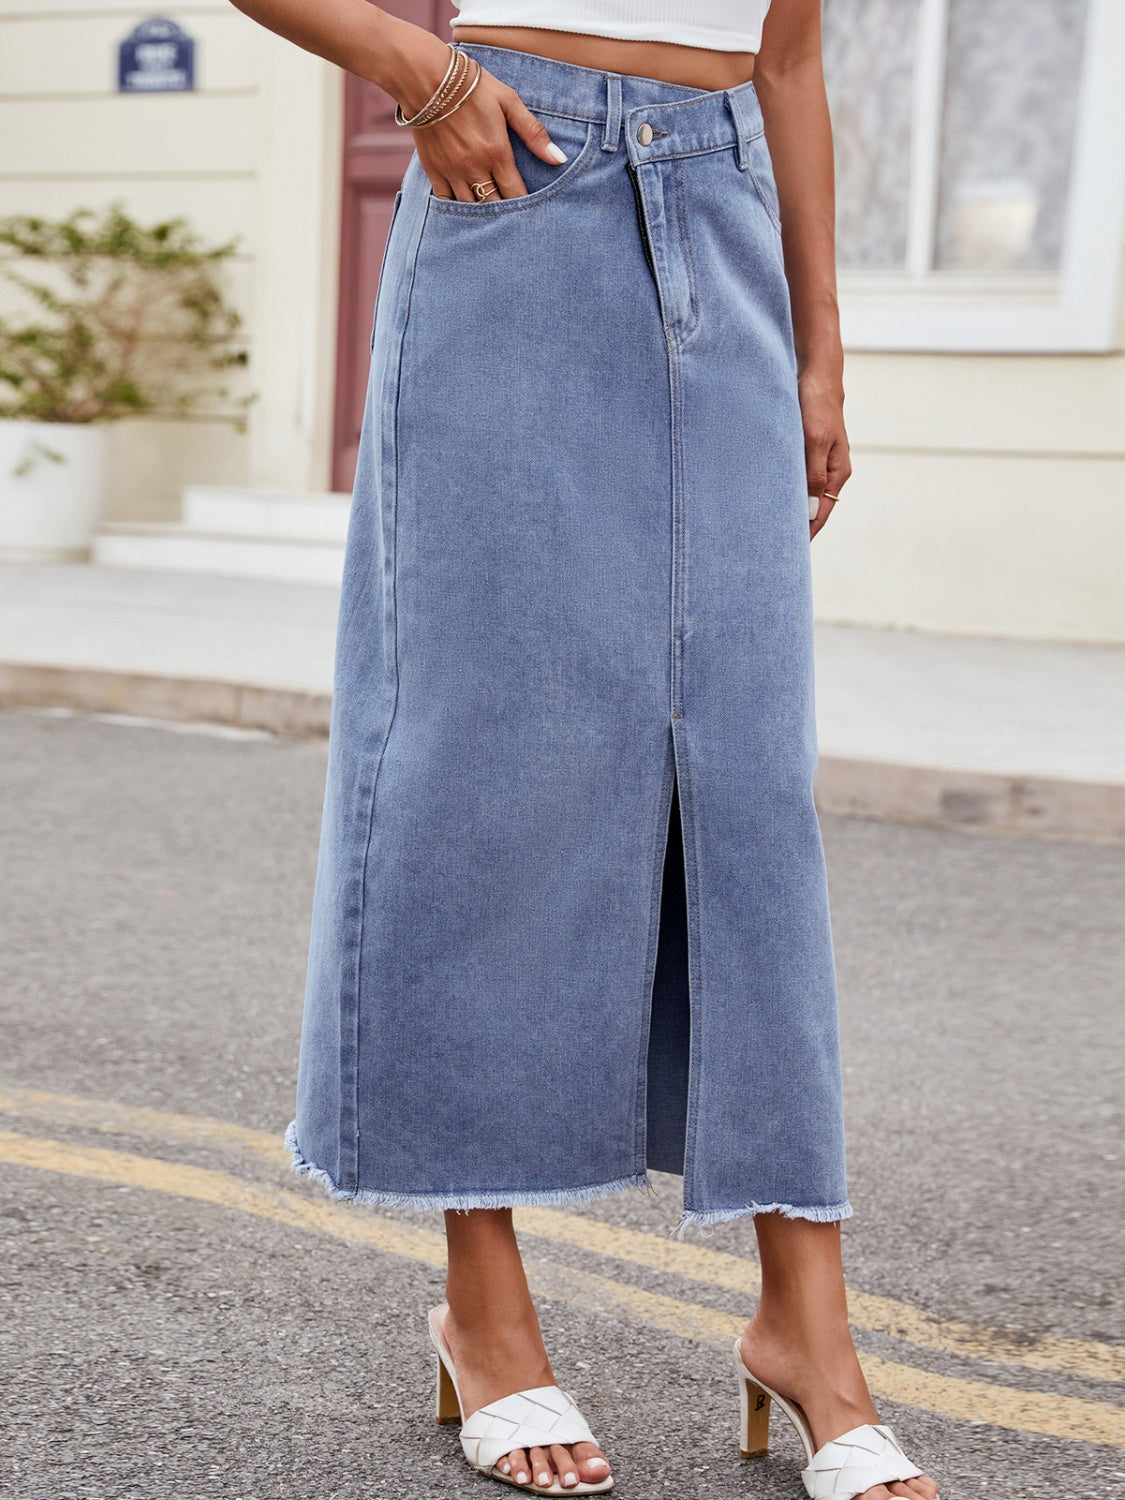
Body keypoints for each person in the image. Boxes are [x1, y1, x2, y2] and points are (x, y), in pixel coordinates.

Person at [229, 2, 940, 1497]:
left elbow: (791, 55)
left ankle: (803, 1321)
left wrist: (821, 349)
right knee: (489, 766)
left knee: (749, 784)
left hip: (728, 210)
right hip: (514, 188)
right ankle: (482, 1308)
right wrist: (420, 74)